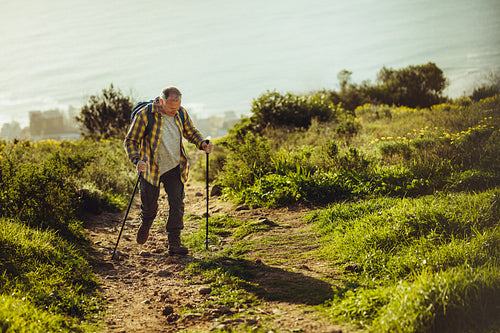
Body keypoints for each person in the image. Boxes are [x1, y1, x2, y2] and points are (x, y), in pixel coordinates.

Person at [124, 86, 212, 255]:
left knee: (177, 204)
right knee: (150, 208)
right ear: (161, 102)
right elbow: (131, 140)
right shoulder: (145, 115)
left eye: (177, 107)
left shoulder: (181, 112)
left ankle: (174, 243)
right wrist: (136, 159)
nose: (175, 111)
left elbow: (190, 132)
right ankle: (146, 224)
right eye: (171, 108)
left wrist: (202, 143)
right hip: (151, 168)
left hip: (175, 165)